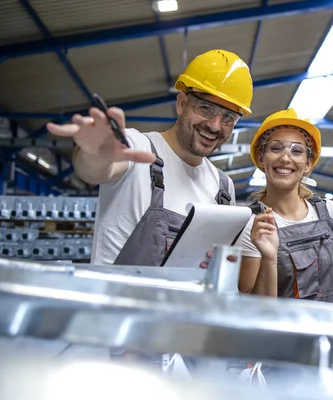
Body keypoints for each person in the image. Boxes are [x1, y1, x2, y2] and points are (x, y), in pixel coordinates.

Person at [46, 49, 253, 266]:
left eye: (228, 117)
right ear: (182, 103)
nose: (214, 125)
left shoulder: (224, 188)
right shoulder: (139, 148)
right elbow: (93, 170)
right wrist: (94, 153)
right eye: (206, 109)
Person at [237, 108, 333, 320]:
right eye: (276, 148)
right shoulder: (251, 225)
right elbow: (254, 310)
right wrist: (269, 258)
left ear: (308, 163)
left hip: (331, 336)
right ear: (261, 158)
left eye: (297, 151)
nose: (285, 158)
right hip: (279, 342)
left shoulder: (332, 213)